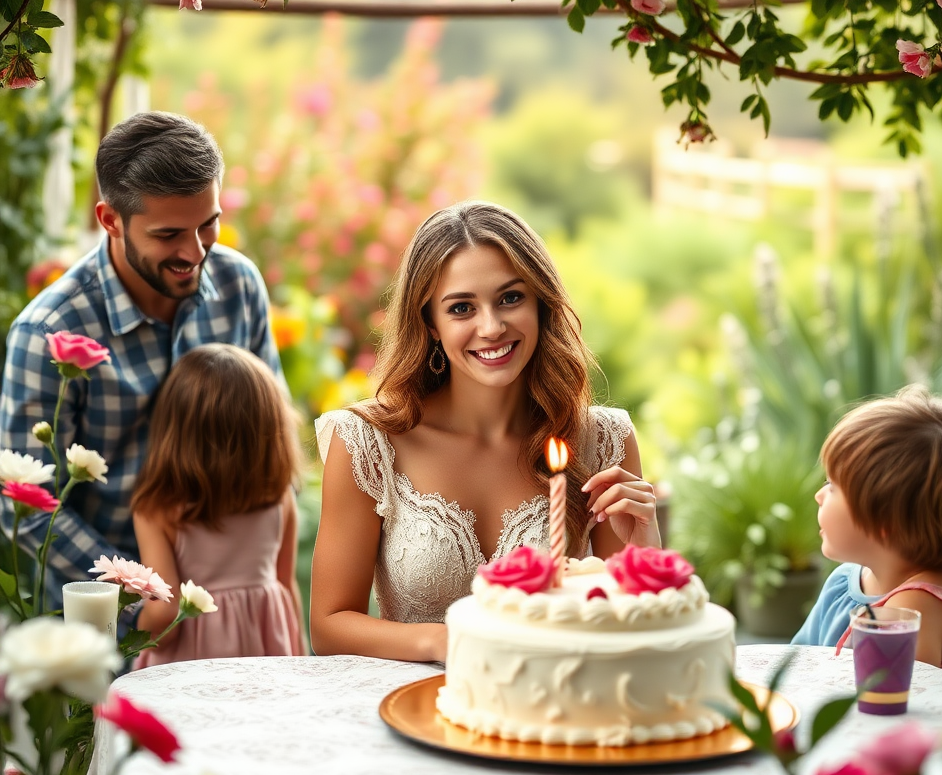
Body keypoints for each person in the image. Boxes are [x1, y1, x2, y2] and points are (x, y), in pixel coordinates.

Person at [310, 201, 660, 662]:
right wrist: (449, 641)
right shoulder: (368, 443)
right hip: (412, 712)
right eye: (461, 308)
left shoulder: (602, 441)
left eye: (511, 298)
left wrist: (645, 549)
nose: (491, 327)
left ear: (541, 303)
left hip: (556, 710)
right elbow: (330, 625)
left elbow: (633, 633)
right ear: (430, 324)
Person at [0, 111, 282, 605]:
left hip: (233, 593)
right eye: (168, 235)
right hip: (111, 618)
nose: (195, 252)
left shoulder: (240, 286)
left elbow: (271, 441)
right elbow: (25, 506)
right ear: (110, 220)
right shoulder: (48, 333)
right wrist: (144, 600)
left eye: (208, 225)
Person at [793, 387, 942, 718]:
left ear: (883, 519)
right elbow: (794, 665)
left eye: (832, 486)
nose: (818, 495)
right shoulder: (844, 582)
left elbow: (891, 725)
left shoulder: (914, 612)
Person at [132, 344, 304, 665]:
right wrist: (300, 655)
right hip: (267, 654)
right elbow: (286, 584)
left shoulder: (156, 509)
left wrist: (129, 633)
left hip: (192, 666)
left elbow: (165, 613)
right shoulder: (280, 497)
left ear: (176, 430)